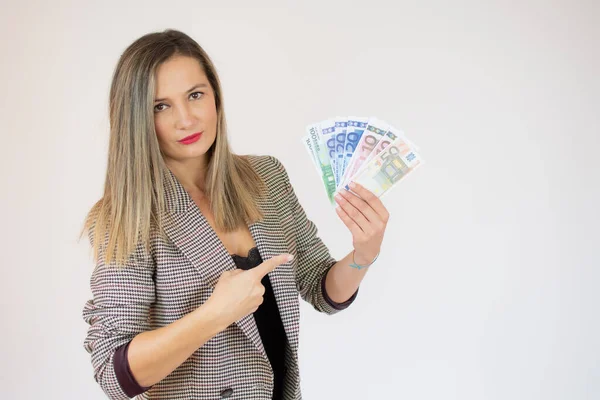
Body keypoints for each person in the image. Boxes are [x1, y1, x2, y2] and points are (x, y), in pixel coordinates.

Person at [80, 29, 389, 400]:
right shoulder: (126, 216)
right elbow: (113, 370)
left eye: (195, 95)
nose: (186, 119)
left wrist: (363, 256)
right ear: (137, 119)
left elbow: (320, 287)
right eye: (160, 106)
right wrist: (214, 314)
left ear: (216, 97)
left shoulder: (266, 177)